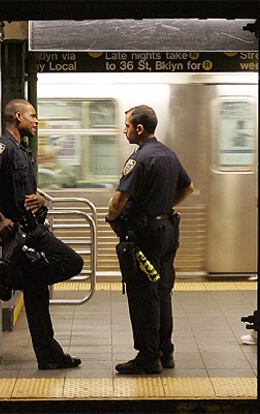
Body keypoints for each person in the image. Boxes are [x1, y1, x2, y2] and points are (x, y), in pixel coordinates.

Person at [0, 99, 84, 370]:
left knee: (36, 295)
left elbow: (24, 192)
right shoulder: (3, 148)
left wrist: (41, 200)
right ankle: (8, 275)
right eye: (32, 116)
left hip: (32, 226)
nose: (36, 120)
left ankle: (49, 357)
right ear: (18, 116)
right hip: (22, 232)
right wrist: (0, 219)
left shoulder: (22, 150)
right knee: (73, 262)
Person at [105, 105, 194, 374]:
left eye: (127, 125)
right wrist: (163, 207)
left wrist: (111, 219)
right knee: (163, 291)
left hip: (145, 235)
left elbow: (119, 199)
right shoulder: (169, 153)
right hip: (167, 231)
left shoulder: (139, 159)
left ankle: (148, 356)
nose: (125, 130)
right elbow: (188, 187)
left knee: (144, 294)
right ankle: (166, 352)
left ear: (139, 128)